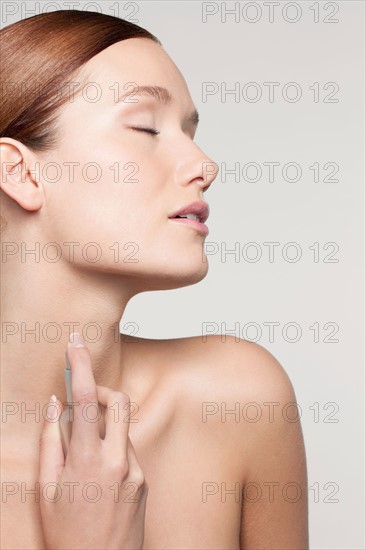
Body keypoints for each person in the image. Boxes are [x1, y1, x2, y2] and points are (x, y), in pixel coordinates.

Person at [0, 10, 309, 549]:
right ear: (21, 174)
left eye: (190, 132)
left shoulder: (237, 398)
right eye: (146, 127)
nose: (205, 165)